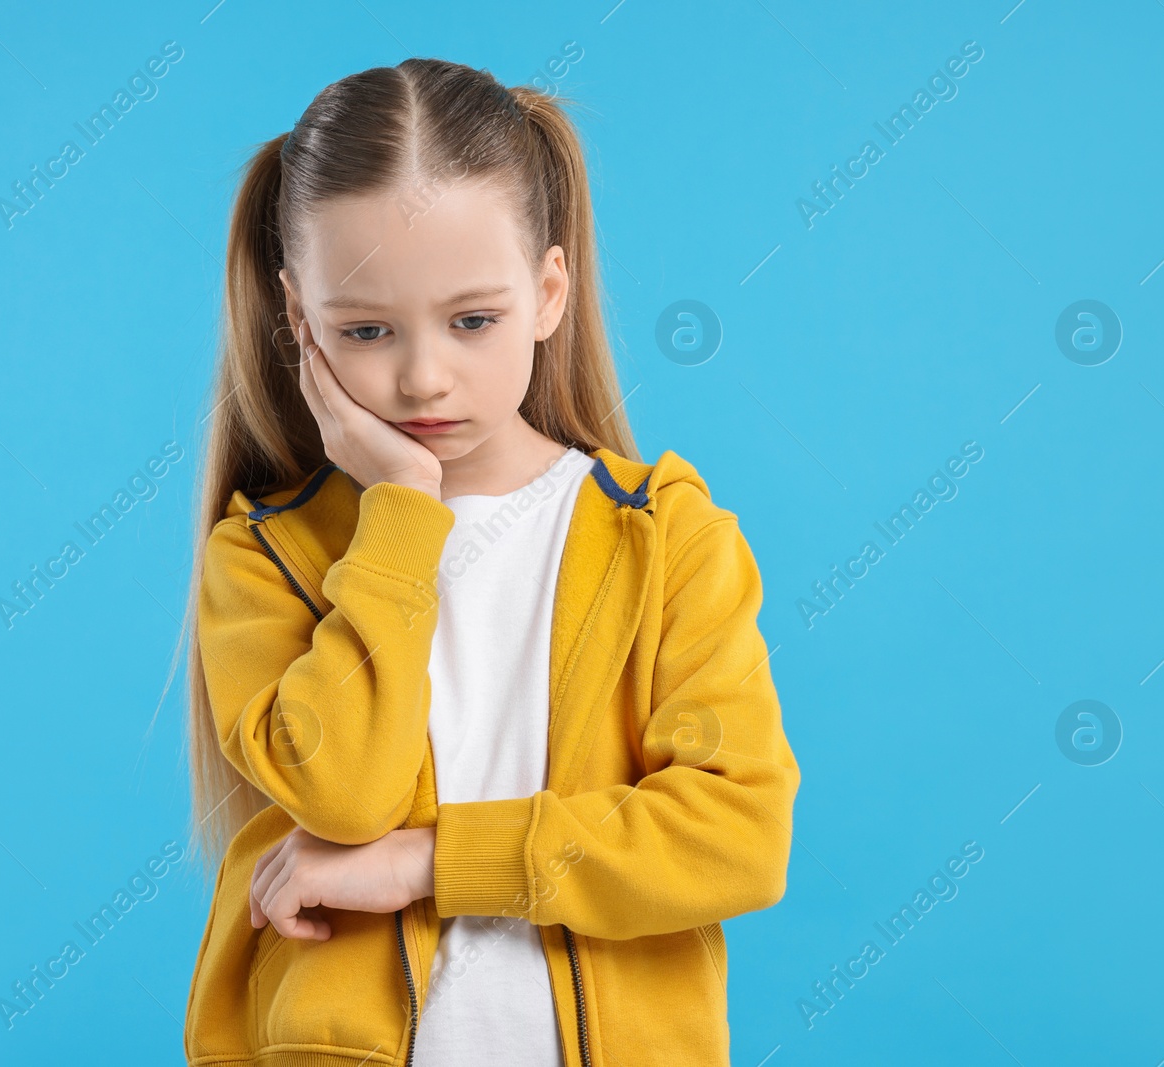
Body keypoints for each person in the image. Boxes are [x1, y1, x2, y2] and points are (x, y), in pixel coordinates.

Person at [180, 56, 800, 1067]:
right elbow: (340, 794)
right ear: (298, 320)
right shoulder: (265, 553)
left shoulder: (665, 537)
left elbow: (736, 831)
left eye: (474, 320)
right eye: (365, 329)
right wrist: (400, 513)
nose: (424, 376)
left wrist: (430, 862)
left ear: (548, 291)